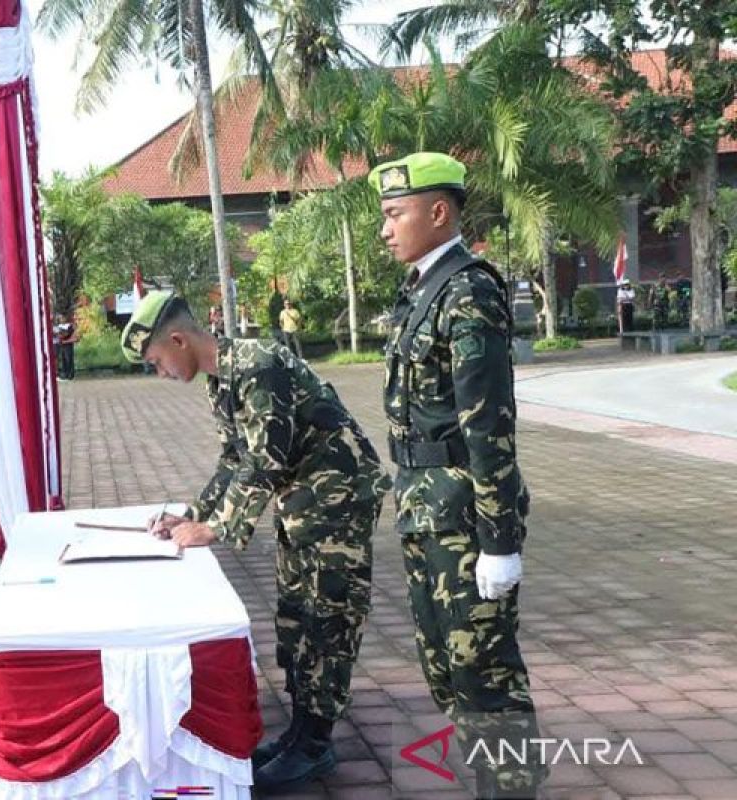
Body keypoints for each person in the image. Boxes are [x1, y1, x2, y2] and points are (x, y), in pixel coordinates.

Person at [121, 292, 391, 791]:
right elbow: (233, 458)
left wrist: (216, 528)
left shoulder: (258, 366)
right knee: (296, 615)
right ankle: (299, 735)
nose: (159, 372)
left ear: (178, 340)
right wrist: (193, 514)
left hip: (335, 499)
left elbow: (265, 459)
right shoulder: (222, 380)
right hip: (303, 502)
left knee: (327, 616)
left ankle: (315, 746)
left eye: (157, 361)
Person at [371, 152, 545, 799]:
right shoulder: (423, 288)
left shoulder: (468, 289)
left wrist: (500, 542)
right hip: (425, 509)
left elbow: (489, 427)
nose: (386, 229)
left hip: (465, 515)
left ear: (438, 212)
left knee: (484, 674)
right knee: (446, 669)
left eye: (396, 214)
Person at [53, 313, 79, 380]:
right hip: (62, 345)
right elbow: (58, 334)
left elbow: (69, 335)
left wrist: (63, 337)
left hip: (68, 345)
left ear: (65, 318)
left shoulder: (69, 326)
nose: (61, 319)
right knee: (63, 359)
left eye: (63, 318)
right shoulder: (59, 326)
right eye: (60, 318)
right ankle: (65, 374)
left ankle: (70, 374)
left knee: (69, 359)